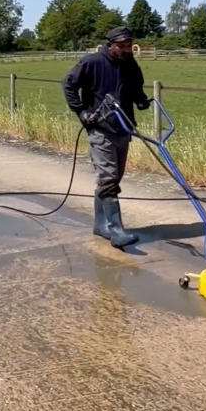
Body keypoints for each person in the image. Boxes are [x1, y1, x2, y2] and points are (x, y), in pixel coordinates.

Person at [60, 26, 153, 249]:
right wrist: (82, 112)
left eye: (129, 45)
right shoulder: (92, 62)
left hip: (123, 127)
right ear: (110, 45)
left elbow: (135, 85)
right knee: (108, 178)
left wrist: (140, 99)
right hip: (100, 128)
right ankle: (117, 231)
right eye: (121, 46)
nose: (126, 50)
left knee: (113, 178)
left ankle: (101, 224)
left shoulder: (129, 63)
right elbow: (68, 84)